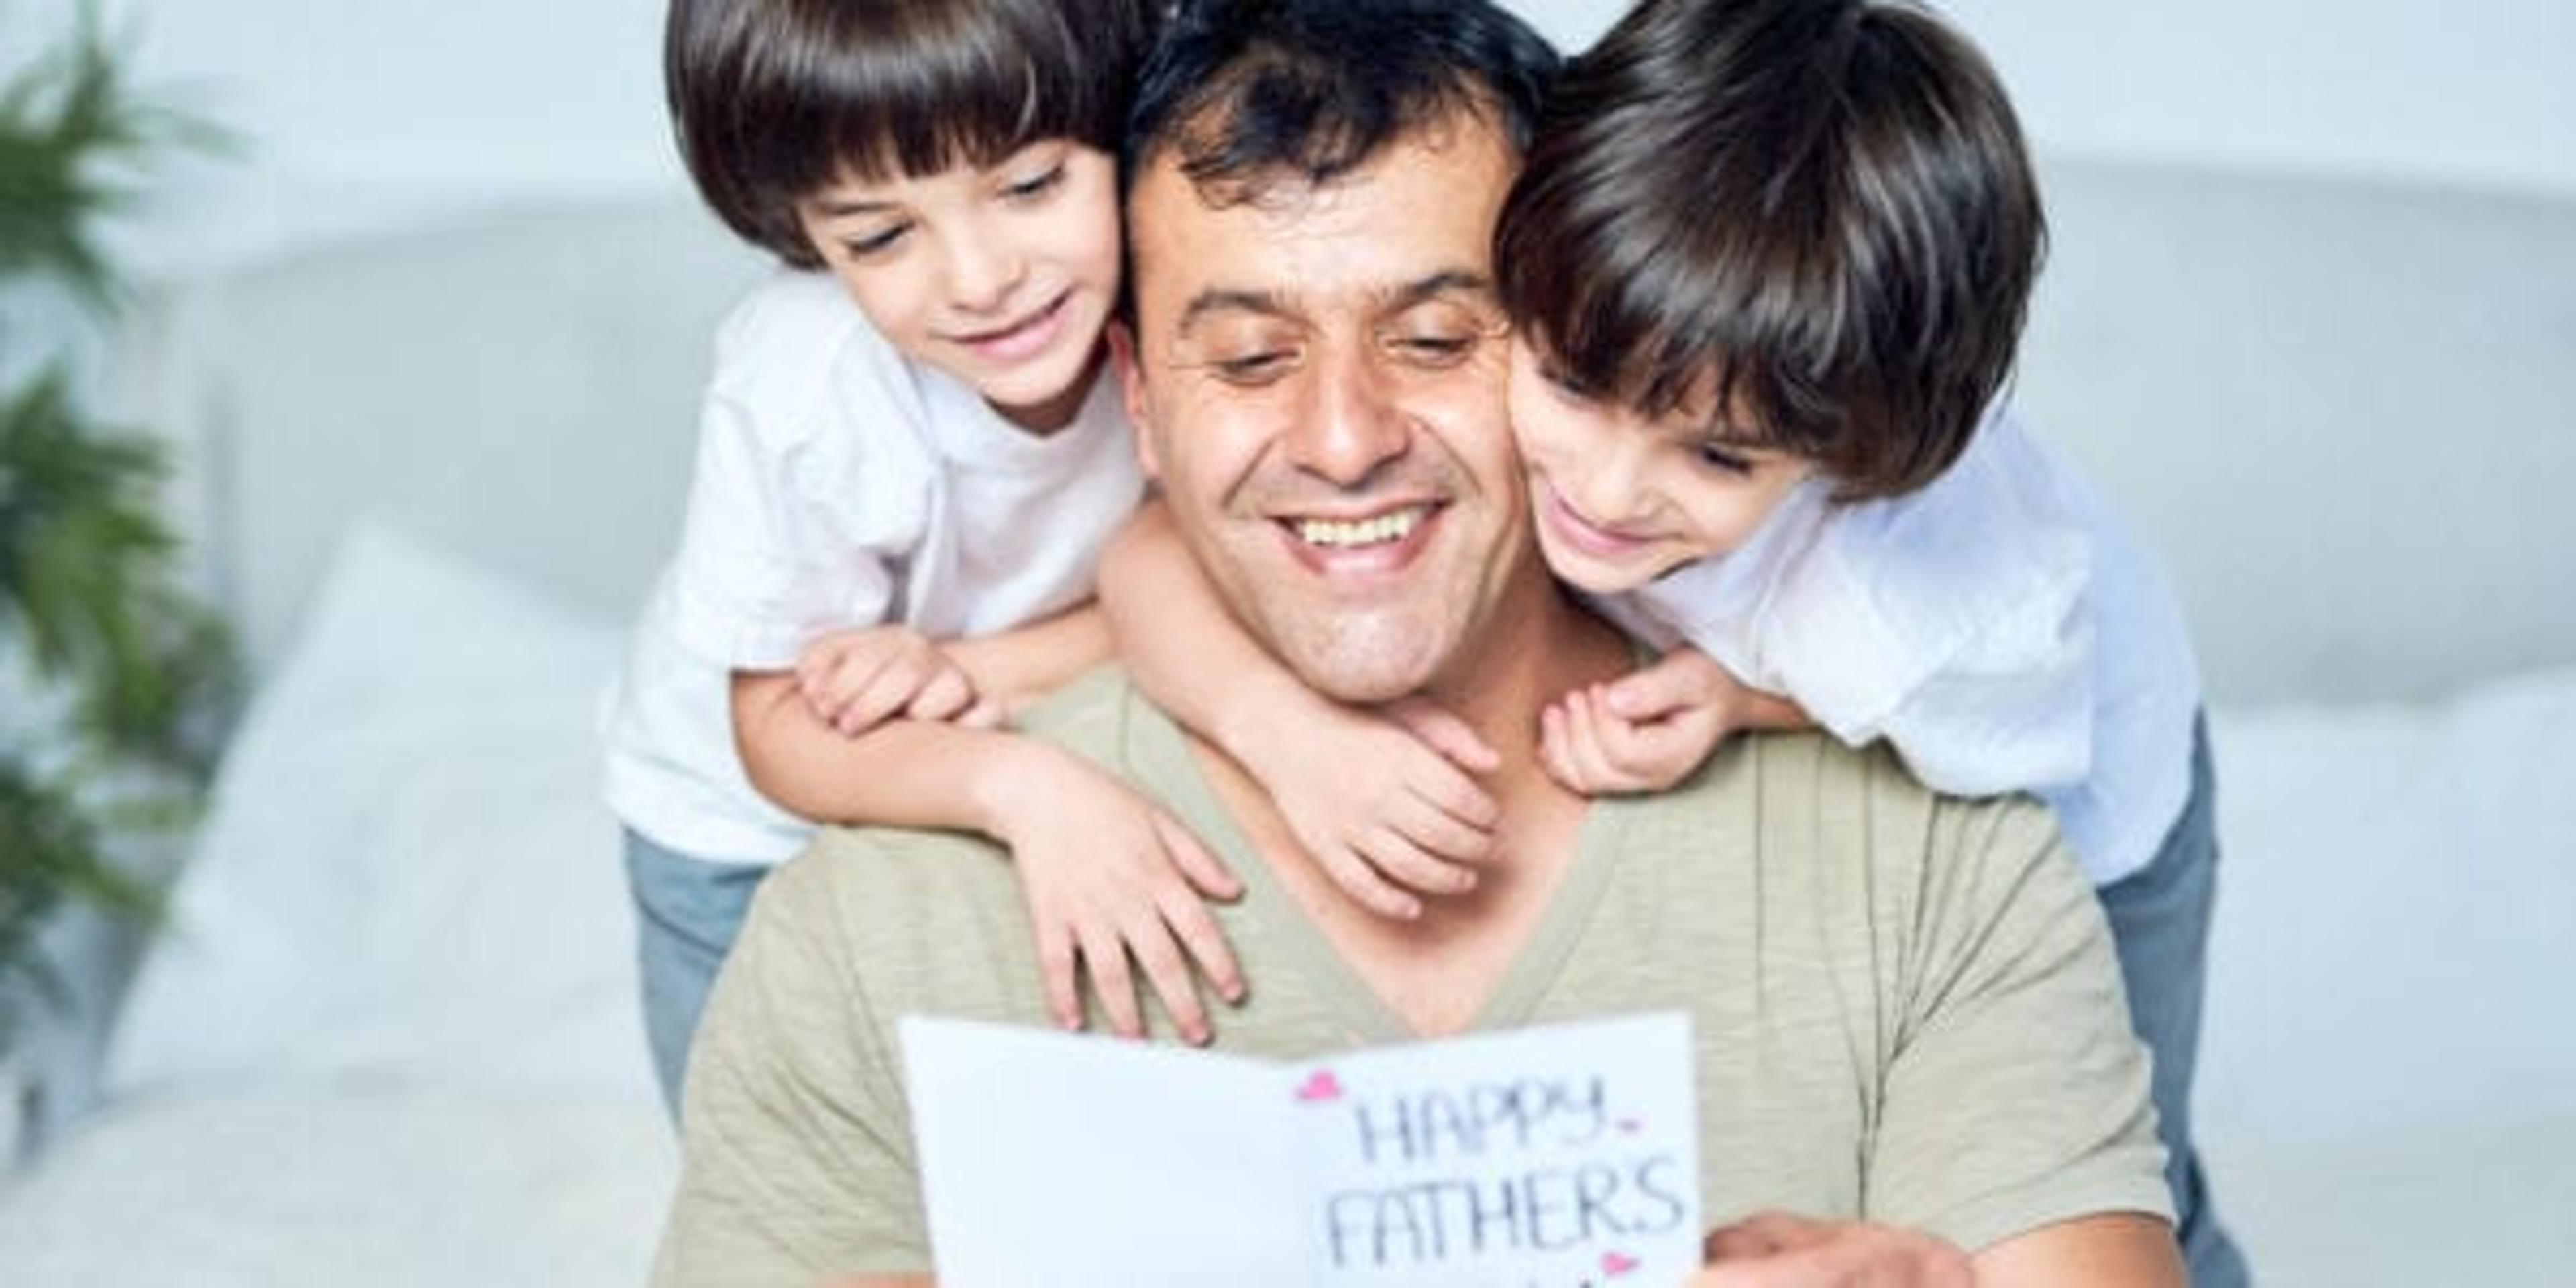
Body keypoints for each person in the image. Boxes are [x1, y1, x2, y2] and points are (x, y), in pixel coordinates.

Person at [651, 1, 2183, 1283]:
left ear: (1593, 323)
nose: (1342, 439)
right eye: (1249, 357)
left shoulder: (1929, 835)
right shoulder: (864, 926)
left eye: (1440, 340)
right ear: (1138, 399)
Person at [1099, 0, 2243, 1279]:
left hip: (2092, 752)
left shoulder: (1901, 633)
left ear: (1836, 460)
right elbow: (1137, 557)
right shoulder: (1632, 298)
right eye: (1576, 385)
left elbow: (1984, 720)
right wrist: (1289, 737)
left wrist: (1740, 696)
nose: (1608, 490)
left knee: (2140, 1160)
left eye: (1711, 455)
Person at [599, 0, 1247, 1116]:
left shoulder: (1184, 283)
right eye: (880, 235)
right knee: (776, 1174)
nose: (981, 278)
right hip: (745, 830)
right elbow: (777, 733)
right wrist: (1026, 789)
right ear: (805, 233)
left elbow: (1203, 576)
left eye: (1031, 185)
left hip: (970, 738)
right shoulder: (804, 383)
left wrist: (975, 676)